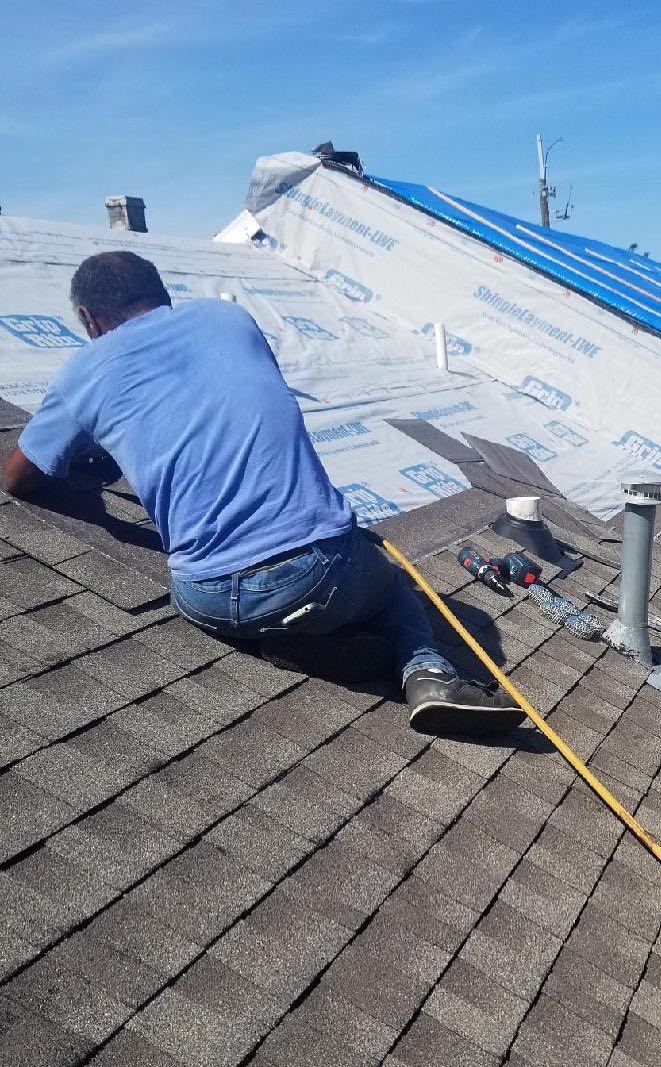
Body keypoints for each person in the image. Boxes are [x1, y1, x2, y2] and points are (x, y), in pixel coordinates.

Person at [0, 251, 524, 737]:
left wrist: (97, 451)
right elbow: (231, 401)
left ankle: (289, 638)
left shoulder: (80, 373)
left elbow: (16, 478)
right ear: (161, 295)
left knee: (280, 593)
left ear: (89, 319)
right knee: (391, 584)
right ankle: (426, 672)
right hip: (325, 571)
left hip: (209, 595)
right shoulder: (228, 319)